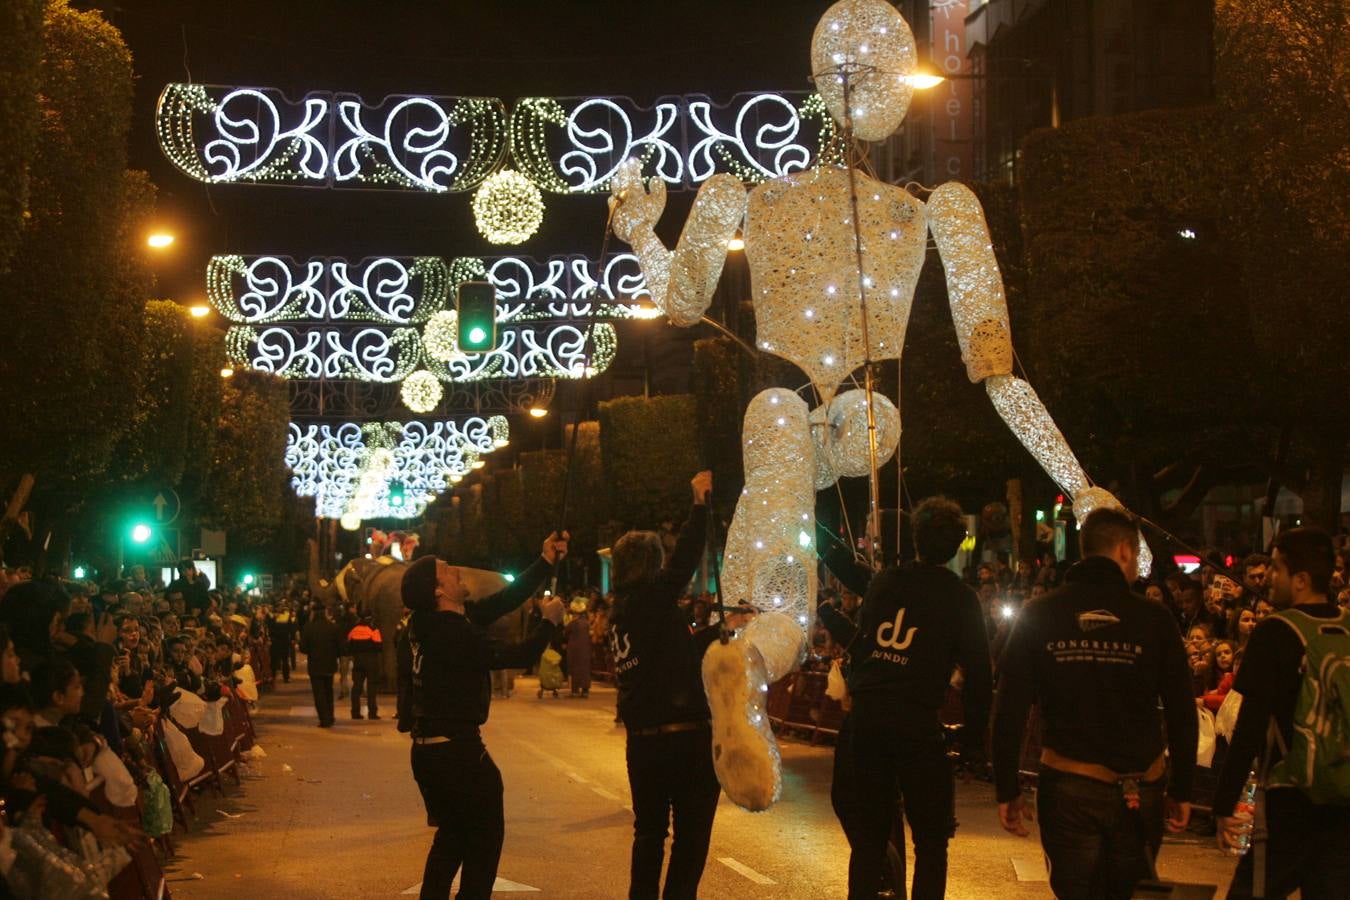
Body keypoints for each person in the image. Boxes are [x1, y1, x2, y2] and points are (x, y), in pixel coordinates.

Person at [992, 507, 1197, 900]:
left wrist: (1008, 788)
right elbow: (1181, 710)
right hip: (1140, 787)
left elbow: (1010, 709)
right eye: (1136, 555)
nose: (1136, 564)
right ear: (1122, 550)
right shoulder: (1154, 619)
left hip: (1069, 785)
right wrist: (1182, 788)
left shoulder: (1040, 613)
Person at [834, 497, 992, 900]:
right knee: (932, 839)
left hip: (869, 717)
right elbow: (979, 676)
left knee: (869, 838)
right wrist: (974, 741)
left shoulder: (885, 582)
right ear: (957, 545)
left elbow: (867, 638)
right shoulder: (961, 599)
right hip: (917, 721)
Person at [399, 531, 568, 900]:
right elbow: (518, 656)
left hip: (431, 752)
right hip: (458, 755)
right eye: (446, 571)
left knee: (451, 840)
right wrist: (550, 622)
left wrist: (545, 562)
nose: (456, 570)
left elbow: (504, 600)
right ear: (437, 592)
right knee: (483, 845)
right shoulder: (452, 634)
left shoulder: (430, 624)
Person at [1214, 526, 1350, 898]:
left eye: (1277, 568)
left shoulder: (1274, 633)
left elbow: (1250, 725)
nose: (1270, 577)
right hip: (1343, 803)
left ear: (1301, 579)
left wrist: (1224, 804)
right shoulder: (1347, 628)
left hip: (1289, 802)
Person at [609, 470, 725, 900]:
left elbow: (674, 655)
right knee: (691, 836)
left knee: (649, 833)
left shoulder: (625, 610)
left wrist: (716, 631)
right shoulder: (653, 596)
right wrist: (699, 505)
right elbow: (687, 559)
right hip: (685, 740)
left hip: (643, 742)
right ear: (650, 564)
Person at [300, 603, 343, 728]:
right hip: (329, 664)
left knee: (319, 693)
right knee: (329, 691)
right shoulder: (333, 627)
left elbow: (303, 648)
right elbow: (340, 646)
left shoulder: (308, 628)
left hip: (315, 665)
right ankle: (330, 716)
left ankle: (324, 718)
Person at [346, 610, 382, 720]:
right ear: (370, 619)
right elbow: (379, 646)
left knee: (356, 687)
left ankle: (355, 712)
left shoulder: (353, 630)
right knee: (372, 687)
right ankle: (372, 713)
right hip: (371, 661)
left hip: (358, 661)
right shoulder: (373, 630)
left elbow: (348, 645)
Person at [564, 598, 592, 698]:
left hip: (574, 649)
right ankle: (585, 690)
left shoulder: (573, 623)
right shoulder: (587, 623)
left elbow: (565, 632)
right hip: (585, 649)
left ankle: (575, 691)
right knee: (585, 669)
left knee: (574, 669)